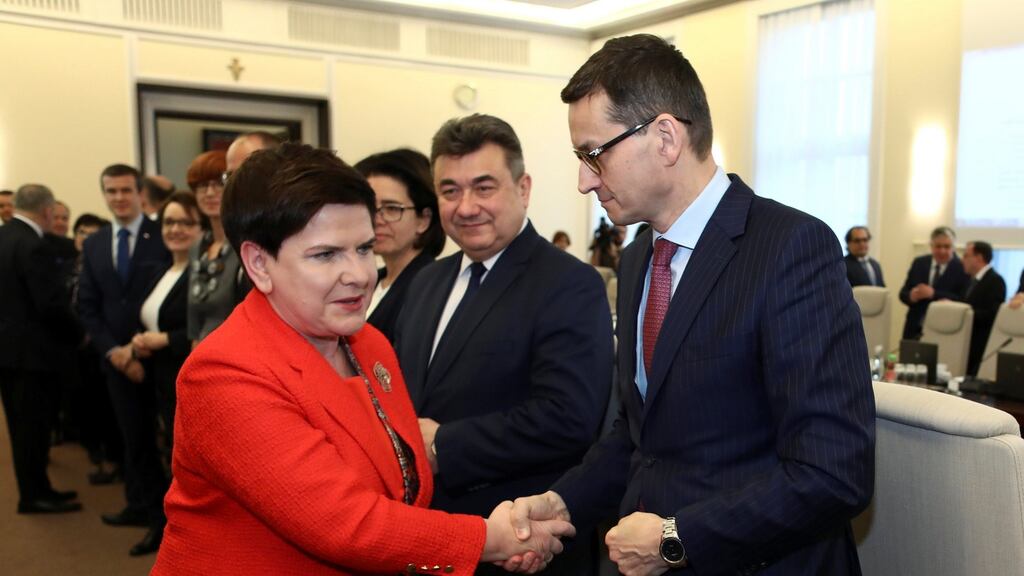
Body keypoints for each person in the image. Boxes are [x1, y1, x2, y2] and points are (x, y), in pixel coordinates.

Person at [506, 34, 874, 576]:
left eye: (593, 155)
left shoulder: (789, 247)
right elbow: (639, 435)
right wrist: (563, 504)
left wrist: (676, 539)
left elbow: (834, 472)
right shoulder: (638, 259)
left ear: (665, 138)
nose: (584, 181)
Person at [152, 142, 573, 575]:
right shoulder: (224, 373)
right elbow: (345, 523)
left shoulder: (368, 344)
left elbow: (404, 485)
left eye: (364, 248)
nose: (359, 274)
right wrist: (490, 538)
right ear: (259, 263)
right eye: (326, 255)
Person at [393, 114, 613, 575]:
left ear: (523, 187)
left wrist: (444, 445)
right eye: (450, 190)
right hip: (427, 539)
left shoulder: (569, 283)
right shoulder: (426, 282)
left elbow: (567, 418)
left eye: (484, 187)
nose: (466, 206)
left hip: (521, 543)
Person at [77, 163, 171, 556]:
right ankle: (145, 510)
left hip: (160, 358)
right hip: (116, 362)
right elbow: (88, 306)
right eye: (111, 192)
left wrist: (137, 349)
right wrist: (115, 353)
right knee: (134, 442)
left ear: (139, 194)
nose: (118, 198)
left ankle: (166, 521)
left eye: (125, 191)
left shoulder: (162, 236)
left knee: (170, 444)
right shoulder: (96, 242)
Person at [123, 192, 203, 554]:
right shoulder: (161, 271)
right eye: (169, 222)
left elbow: (204, 330)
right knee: (159, 455)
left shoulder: (201, 274)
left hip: (184, 378)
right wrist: (139, 342)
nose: (175, 230)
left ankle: (182, 538)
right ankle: (163, 526)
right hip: (156, 378)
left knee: (182, 464)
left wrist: (163, 340)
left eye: (185, 222)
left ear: (201, 228)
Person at [0, 184, 83, 514]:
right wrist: (80, 334)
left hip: (8, 352)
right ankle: (34, 495)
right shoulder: (33, 245)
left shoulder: (4, 237)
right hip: (33, 356)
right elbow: (50, 305)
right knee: (33, 430)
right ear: (47, 211)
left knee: (20, 427)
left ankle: (38, 488)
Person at [355, 148, 445, 342]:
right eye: (370, 207)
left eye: (392, 208)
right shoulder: (371, 280)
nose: (378, 219)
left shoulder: (431, 288)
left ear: (424, 220)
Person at [68, 213, 124, 485]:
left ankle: (113, 459)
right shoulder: (67, 265)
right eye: (81, 232)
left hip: (102, 345)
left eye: (93, 233)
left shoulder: (109, 266)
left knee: (107, 408)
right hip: (74, 348)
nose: (86, 238)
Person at [186, 150, 243, 344]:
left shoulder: (244, 245)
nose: (210, 193)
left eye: (218, 184)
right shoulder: (197, 247)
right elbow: (193, 318)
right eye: (202, 186)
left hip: (237, 353)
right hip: (200, 352)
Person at [898, 226, 970, 340]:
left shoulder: (962, 267)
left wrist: (933, 293)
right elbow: (903, 293)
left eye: (947, 247)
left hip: (946, 329)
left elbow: (963, 299)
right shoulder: (919, 263)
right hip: (914, 328)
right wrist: (911, 296)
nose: (942, 251)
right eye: (938, 246)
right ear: (931, 247)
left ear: (953, 248)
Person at [962, 241, 1007, 376]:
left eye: (966, 255)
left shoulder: (995, 280)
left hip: (980, 345)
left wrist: (965, 314)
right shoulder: (971, 281)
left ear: (979, 258)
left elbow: (993, 314)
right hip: (966, 342)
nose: (962, 260)